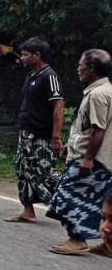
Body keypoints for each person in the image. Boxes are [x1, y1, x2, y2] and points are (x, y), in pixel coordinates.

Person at [47, 49, 112, 255]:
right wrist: (71, 146)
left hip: (94, 159)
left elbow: (98, 129)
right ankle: (108, 245)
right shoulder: (107, 90)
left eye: (81, 64)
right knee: (99, 203)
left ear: (91, 68)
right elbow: (87, 129)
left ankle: (77, 239)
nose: (78, 68)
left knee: (65, 196)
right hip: (101, 157)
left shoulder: (97, 94)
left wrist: (88, 158)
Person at [6, 38, 65, 224]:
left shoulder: (49, 76)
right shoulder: (32, 76)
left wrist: (56, 136)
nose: (22, 58)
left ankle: (68, 207)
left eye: (25, 55)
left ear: (37, 55)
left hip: (40, 134)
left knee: (44, 172)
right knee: (22, 169)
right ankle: (28, 210)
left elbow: (59, 106)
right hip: (26, 133)